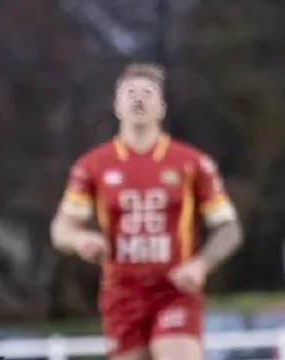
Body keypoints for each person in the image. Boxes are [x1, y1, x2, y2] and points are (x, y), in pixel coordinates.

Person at [50, 63, 244, 360]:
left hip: (174, 289)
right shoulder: (93, 165)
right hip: (122, 293)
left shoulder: (191, 163)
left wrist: (201, 265)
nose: (138, 99)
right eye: (130, 92)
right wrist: (80, 241)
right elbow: (61, 230)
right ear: (117, 106)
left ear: (162, 107)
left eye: (147, 93)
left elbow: (229, 228)